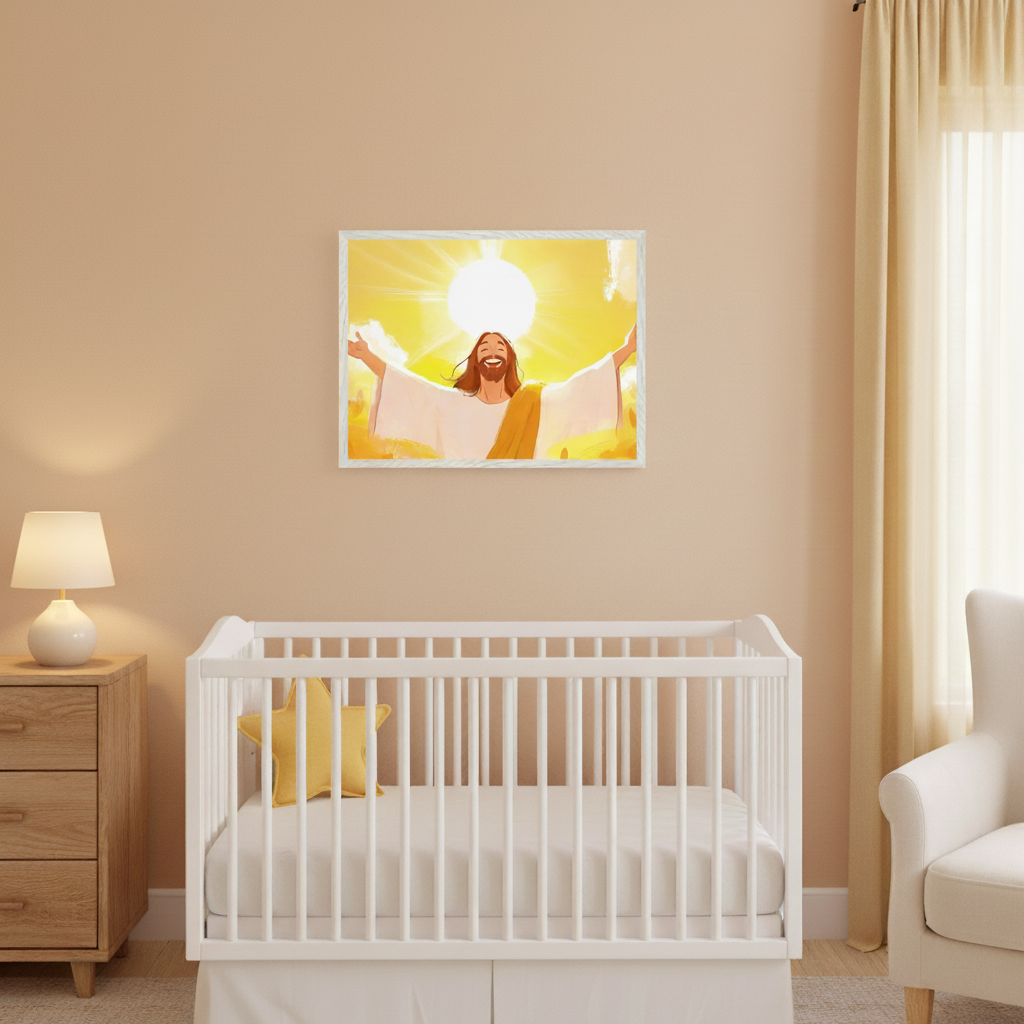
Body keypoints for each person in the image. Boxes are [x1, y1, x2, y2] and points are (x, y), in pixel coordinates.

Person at [347, 326, 636, 460]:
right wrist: (366, 356)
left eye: (500, 348)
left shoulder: (534, 402)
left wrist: (628, 348)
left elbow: (579, 389)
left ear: (508, 361)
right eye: (484, 348)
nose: (492, 351)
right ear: (476, 361)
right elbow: (409, 387)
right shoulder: (451, 402)